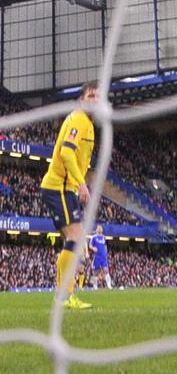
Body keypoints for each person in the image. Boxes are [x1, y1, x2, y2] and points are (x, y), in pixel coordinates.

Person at [39, 81, 98, 310]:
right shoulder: (78, 119)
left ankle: (64, 295)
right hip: (58, 187)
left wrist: (79, 186)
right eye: (91, 96)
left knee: (74, 239)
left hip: (66, 188)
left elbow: (81, 161)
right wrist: (82, 185)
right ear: (82, 100)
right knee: (75, 237)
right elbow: (66, 152)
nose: (95, 100)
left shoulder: (89, 125)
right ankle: (64, 296)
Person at [89, 225, 112, 290]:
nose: (99, 229)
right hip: (97, 257)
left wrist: (106, 253)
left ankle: (109, 285)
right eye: (98, 228)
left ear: (102, 229)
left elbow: (105, 246)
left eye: (100, 228)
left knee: (106, 270)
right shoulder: (93, 237)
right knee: (95, 272)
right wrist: (93, 248)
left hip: (103, 257)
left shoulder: (104, 237)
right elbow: (90, 245)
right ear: (96, 229)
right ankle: (95, 286)